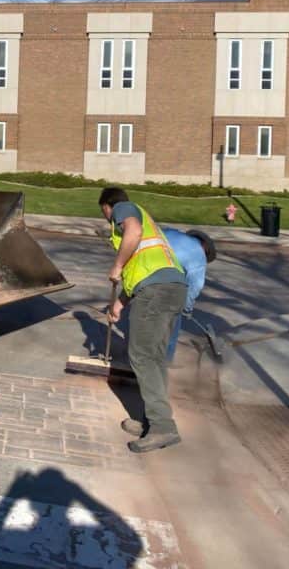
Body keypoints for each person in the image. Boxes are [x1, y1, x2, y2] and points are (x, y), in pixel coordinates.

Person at [98, 187, 188, 453]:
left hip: (155, 292)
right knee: (155, 357)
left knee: (141, 356)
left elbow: (133, 233)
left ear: (107, 206)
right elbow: (139, 269)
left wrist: (116, 265)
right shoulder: (151, 230)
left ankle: (163, 427)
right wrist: (118, 305)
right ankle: (153, 419)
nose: (107, 218)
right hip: (172, 287)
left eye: (104, 211)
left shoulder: (123, 209)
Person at [162, 228, 216, 363]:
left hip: (142, 268)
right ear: (205, 248)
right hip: (163, 280)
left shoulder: (171, 232)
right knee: (175, 318)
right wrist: (187, 308)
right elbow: (194, 287)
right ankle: (166, 360)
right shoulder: (198, 256)